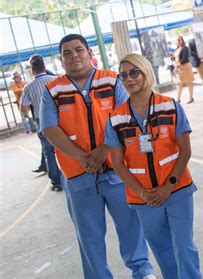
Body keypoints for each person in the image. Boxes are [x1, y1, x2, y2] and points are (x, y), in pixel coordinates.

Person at [40, 34, 155, 279]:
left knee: (130, 226)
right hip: (79, 177)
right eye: (67, 53)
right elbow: (50, 129)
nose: (74, 56)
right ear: (61, 60)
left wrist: (104, 149)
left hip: (117, 171)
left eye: (78, 50)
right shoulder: (52, 90)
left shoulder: (113, 81)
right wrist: (82, 158)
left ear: (90, 53)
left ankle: (142, 271)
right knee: (89, 236)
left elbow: (127, 117)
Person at [105, 53, 202, 279]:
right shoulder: (115, 118)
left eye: (134, 72)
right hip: (144, 199)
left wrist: (168, 186)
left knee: (184, 247)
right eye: (123, 75)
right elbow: (118, 164)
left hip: (177, 191)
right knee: (162, 250)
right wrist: (143, 193)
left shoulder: (170, 106)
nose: (129, 79)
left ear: (146, 72)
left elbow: (185, 151)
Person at [20, 56, 62, 191]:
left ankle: (56, 182)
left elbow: (23, 108)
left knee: (48, 152)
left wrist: (29, 115)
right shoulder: (55, 80)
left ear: (32, 70)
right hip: (61, 118)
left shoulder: (28, 87)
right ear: (44, 67)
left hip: (42, 122)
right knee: (66, 148)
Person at [174, 36, 194, 103]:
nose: (179, 41)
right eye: (177, 40)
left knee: (189, 82)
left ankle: (191, 98)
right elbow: (174, 58)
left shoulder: (185, 48)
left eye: (180, 40)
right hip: (179, 68)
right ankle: (178, 99)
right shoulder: (176, 49)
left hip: (186, 67)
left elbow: (185, 58)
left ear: (182, 40)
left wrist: (178, 64)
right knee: (179, 83)